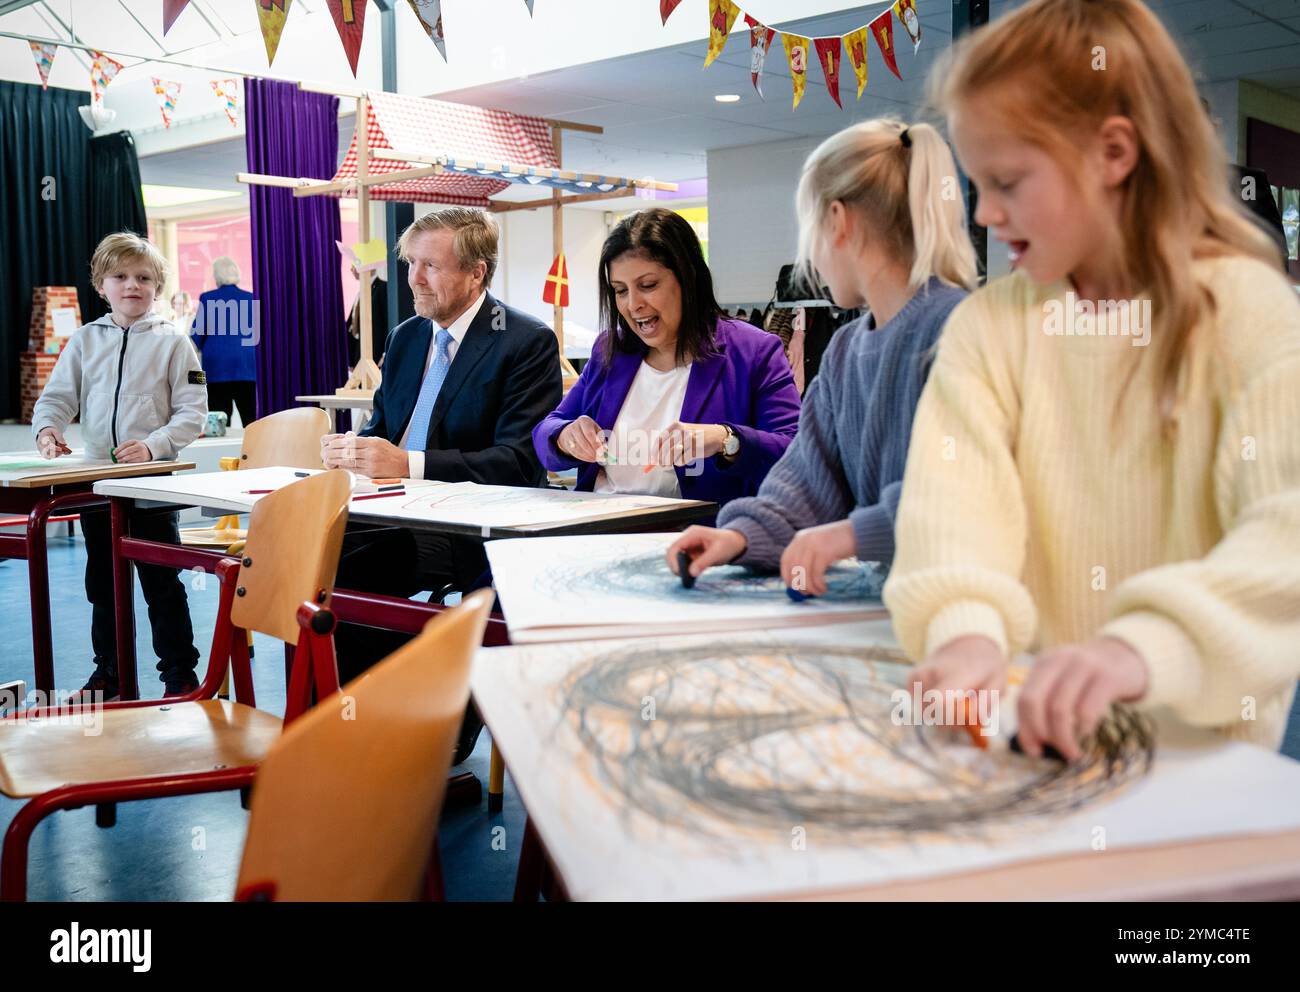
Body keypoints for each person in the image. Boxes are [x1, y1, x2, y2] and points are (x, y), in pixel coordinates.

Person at [885, 0, 1300, 757]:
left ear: (1114, 153)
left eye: (1007, 181)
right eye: (977, 184)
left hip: (1206, 765)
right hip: (1035, 748)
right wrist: (965, 632)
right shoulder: (988, 327)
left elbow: (1284, 538)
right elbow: (954, 515)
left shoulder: (1251, 313)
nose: (985, 212)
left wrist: (1143, 650)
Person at [667, 118, 977, 592]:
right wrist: (739, 535)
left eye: (808, 227)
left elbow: (963, 491)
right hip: (901, 609)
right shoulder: (844, 351)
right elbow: (807, 483)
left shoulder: (960, 330)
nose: (808, 250)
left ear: (838, 221)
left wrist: (851, 534)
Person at [321, 207, 562, 761]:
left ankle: (427, 727)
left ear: (477, 273)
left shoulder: (525, 341)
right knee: (306, 559)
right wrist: (350, 452)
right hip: (392, 510)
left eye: (431, 265)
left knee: (338, 570)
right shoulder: (407, 338)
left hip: (470, 525)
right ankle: (365, 723)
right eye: (410, 263)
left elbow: (519, 462)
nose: (414, 279)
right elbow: (383, 428)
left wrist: (408, 464)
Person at [32, 232, 207, 699]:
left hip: (152, 486)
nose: (133, 285)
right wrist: (48, 430)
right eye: (121, 276)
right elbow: (55, 399)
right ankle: (109, 673)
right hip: (97, 484)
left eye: (144, 278)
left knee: (162, 582)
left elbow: (192, 412)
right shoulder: (85, 340)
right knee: (102, 586)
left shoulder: (174, 343)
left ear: (158, 286)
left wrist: (154, 446)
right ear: (101, 284)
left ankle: (179, 675)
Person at [533, 208, 800, 508]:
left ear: (688, 278)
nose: (633, 305)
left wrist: (726, 439)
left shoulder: (753, 353)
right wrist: (564, 436)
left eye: (648, 286)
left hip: (693, 540)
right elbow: (545, 432)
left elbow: (797, 455)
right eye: (620, 291)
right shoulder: (610, 350)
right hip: (597, 531)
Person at [192, 256, 257, 428]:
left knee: (219, 418)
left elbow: (197, 334)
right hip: (248, 366)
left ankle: (221, 453)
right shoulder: (251, 298)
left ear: (216, 276)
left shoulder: (207, 298)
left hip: (217, 367)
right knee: (250, 416)